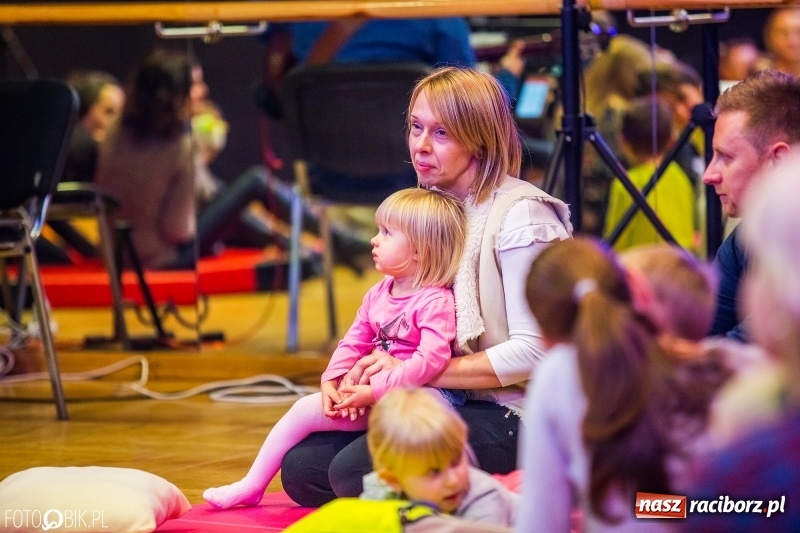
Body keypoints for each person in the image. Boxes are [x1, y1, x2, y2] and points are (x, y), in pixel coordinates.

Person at [279, 66, 573, 508]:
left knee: (352, 471)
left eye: (441, 133)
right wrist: (348, 373)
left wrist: (404, 374)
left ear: (478, 138)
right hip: (441, 397)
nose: (420, 145)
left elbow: (535, 352)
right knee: (302, 470)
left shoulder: (521, 216)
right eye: (416, 127)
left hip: (517, 411)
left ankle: (506, 495)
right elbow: (391, 316)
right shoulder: (433, 208)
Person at [203, 187, 467, 510]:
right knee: (303, 410)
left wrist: (375, 391)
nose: (374, 239)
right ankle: (252, 484)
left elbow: (433, 359)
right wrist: (333, 380)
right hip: (376, 394)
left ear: (419, 251)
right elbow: (353, 340)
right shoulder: (378, 293)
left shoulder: (435, 300)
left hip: (422, 398)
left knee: (418, 421)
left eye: (387, 232)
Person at [516, 237, 729, 532]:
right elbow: (748, 507)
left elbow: (541, 523)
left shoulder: (560, 374)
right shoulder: (742, 368)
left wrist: (623, 506)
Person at [682, 150, 800, 533]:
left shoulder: (761, 461)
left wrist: (629, 503)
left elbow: (700, 510)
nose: (710, 174)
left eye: (762, 270)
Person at [94, 48, 294, 270]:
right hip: (161, 261)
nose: (203, 91)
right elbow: (178, 231)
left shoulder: (117, 132)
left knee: (219, 194)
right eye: (196, 84)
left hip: (116, 258)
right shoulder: (182, 146)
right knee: (255, 181)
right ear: (174, 94)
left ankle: (291, 245)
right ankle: (334, 241)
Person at [702, 69, 800, 341]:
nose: (708, 175)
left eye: (726, 157)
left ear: (778, 160)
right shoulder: (745, 239)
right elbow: (702, 331)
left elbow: (748, 347)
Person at [362, 388, 517, 525]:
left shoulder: (484, 502)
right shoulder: (380, 491)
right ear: (394, 480)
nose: (453, 481)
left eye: (456, 461)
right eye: (434, 472)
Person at [604, 97, 698, 252]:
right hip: (680, 267)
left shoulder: (625, 184)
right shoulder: (681, 177)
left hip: (640, 270)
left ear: (622, 142)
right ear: (672, 141)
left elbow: (616, 244)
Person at [764, 7, 800, 76]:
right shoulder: (758, 72)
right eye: (783, 33)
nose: (792, 41)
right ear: (770, 36)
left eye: (799, 32)